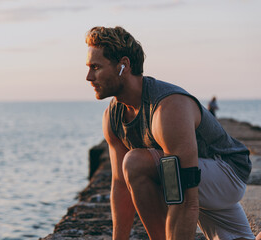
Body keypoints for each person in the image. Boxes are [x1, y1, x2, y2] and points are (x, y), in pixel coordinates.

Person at [85, 26, 255, 240]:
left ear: (123, 66)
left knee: (136, 163)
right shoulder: (113, 116)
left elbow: (185, 197)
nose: (88, 77)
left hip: (226, 171)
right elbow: (120, 185)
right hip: (196, 173)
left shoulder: (167, 108)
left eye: (96, 67)